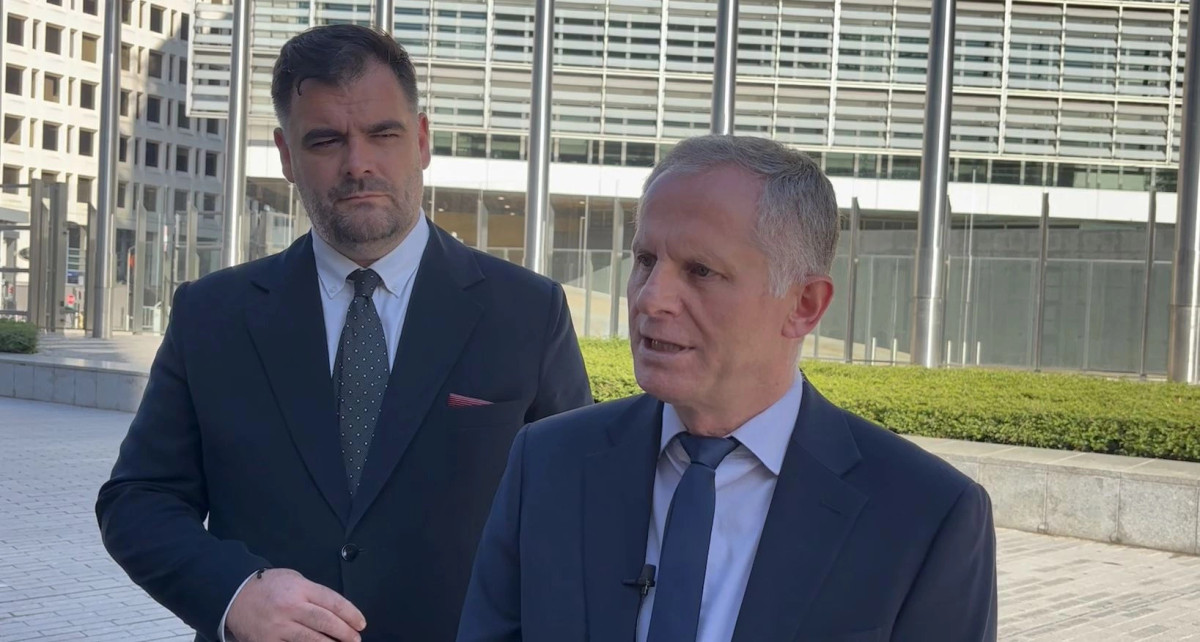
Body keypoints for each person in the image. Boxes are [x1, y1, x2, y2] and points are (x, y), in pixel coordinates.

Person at [96, 24, 592, 642]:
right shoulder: (212, 314)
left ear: (421, 139)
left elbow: (579, 512)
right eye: (326, 140)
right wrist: (234, 593)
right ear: (286, 155)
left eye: (383, 134)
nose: (358, 163)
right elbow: (138, 499)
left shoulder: (528, 311)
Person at [457, 135, 998, 642]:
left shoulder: (927, 517)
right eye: (645, 260)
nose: (650, 298)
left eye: (700, 271)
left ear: (804, 305)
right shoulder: (547, 462)